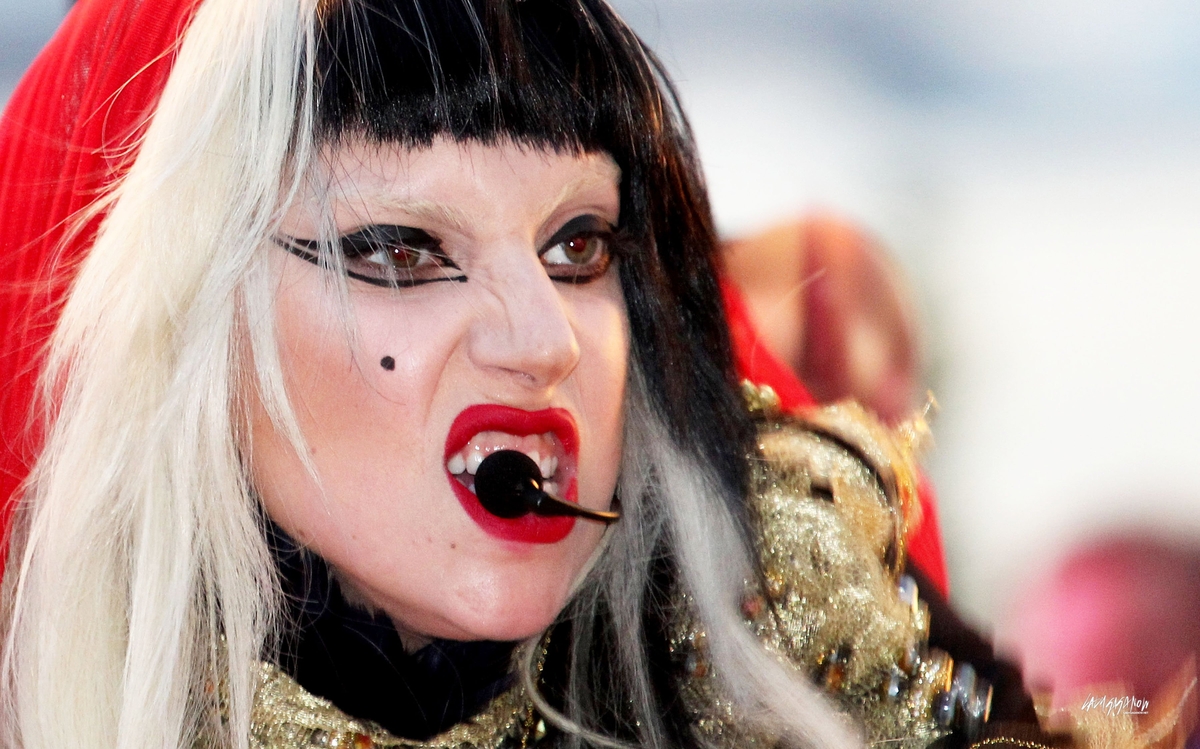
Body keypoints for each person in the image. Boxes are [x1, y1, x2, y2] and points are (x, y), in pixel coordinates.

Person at [0, 1, 1051, 748]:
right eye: (405, 250)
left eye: (577, 245)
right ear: (189, 326)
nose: (542, 339)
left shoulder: (795, 630)